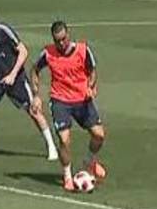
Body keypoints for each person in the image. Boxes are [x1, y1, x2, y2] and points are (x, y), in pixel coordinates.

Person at [0, 3, 58, 161]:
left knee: (34, 111)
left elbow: (23, 51)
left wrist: (13, 75)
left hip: (15, 77)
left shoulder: (3, 30)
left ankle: (51, 146)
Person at [31, 20, 106, 191]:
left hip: (82, 99)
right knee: (64, 140)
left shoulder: (83, 50)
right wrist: (36, 95)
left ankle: (90, 161)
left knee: (99, 135)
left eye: (63, 39)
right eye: (57, 40)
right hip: (60, 101)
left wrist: (90, 86)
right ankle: (67, 177)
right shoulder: (48, 53)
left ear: (68, 35)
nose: (61, 43)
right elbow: (34, 69)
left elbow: (92, 71)